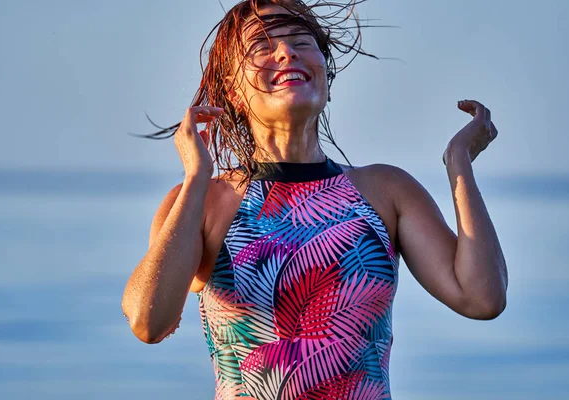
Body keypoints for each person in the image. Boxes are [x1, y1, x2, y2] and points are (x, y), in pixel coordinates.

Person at [121, 0, 508, 398]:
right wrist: (196, 178)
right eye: (261, 45)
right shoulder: (205, 201)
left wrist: (459, 163)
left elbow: (480, 297)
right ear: (233, 90)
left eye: (300, 41)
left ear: (324, 71)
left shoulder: (386, 191)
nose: (286, 52)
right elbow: (148, 321)